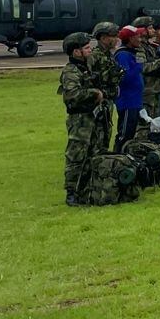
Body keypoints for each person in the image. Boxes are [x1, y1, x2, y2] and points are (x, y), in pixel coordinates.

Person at [58, 32, 108, 206]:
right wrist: (94, 93)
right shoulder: (70, 72)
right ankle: (72, 192)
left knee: (94, 153)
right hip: (80, 120)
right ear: (76, 52)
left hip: (94, 117)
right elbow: (72, 96)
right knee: (77, 156)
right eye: (86, 48)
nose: (90, 50)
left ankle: (88, 189)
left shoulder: (87, 66)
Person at [113, 24, 146, 150]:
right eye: (137, 36)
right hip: (127, 100)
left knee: (131, 132)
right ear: (130, 39)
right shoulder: (123, 55)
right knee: (125, 133)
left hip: (135, 100)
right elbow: (124, 77)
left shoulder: (132, 53)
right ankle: (118, 156)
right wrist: (139, 65)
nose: (140, 39)